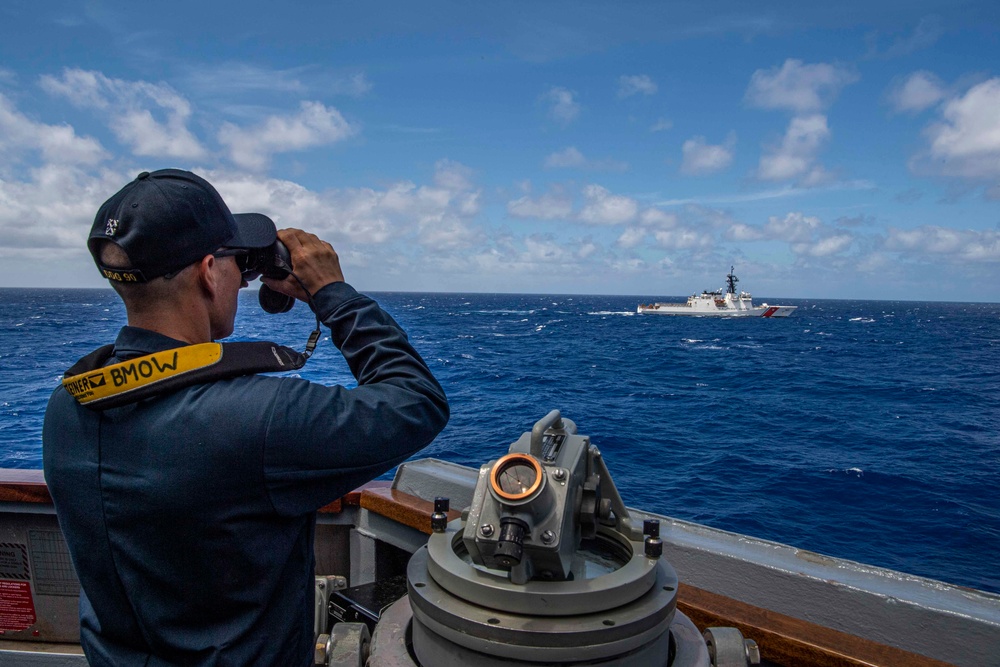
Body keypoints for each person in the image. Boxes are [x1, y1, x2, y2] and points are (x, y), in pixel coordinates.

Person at [42, 169, 449, 666]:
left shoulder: (70, 404)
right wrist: (333, 293)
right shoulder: (256, 419)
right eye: (238, 264)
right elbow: (417, 402)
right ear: (209, 272)